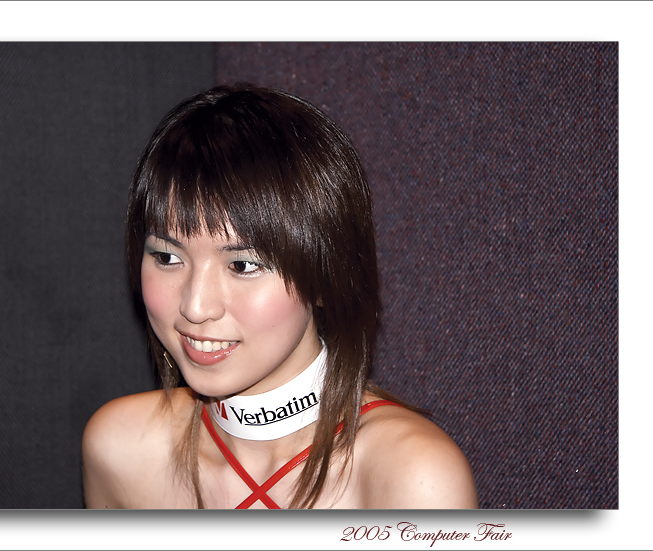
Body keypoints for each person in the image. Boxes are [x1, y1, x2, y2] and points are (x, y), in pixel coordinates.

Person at [82, 83, 478, 509]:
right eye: (167, 257)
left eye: (243, 266)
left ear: (327, 275)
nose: (195, 307)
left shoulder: (414, 476)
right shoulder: (119, 449)